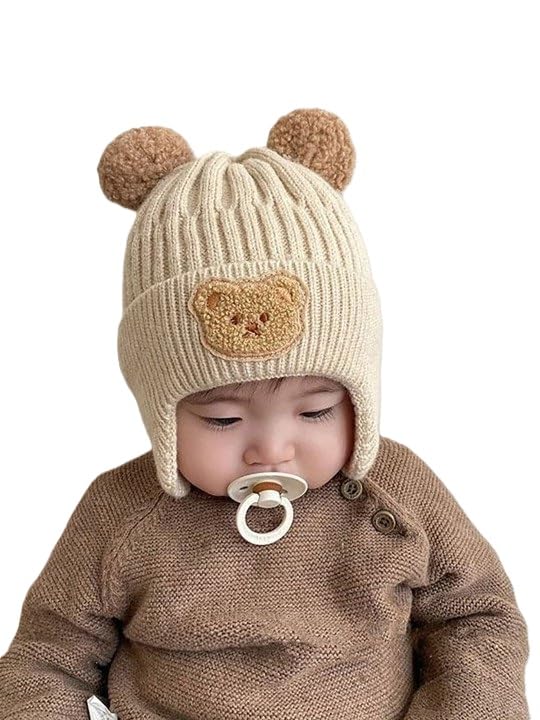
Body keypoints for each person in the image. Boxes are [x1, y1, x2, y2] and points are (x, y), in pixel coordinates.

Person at [0, 108, 530, 720]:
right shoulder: (121, 514)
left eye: (317, 411)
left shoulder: (397, 493)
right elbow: (43, 660)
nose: (272, 449)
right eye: (223, 420)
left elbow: (478, 618)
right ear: (161, 412)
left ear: (360, 396)